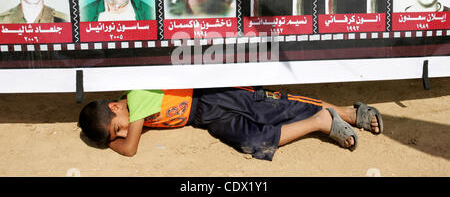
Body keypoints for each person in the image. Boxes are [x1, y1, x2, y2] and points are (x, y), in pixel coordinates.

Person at [78, 86, 383, 160]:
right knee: (252, 143)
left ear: (115, 106)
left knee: (275, 106)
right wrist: (107, 135)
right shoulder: (129, 110)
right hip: (203, 118)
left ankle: (349, 113)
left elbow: (130, 149)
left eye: (118, 125)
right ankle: (320, 122)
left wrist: (111, 142)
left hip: (214, 94)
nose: (125, 131)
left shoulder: (137, 97)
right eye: (118, 132)